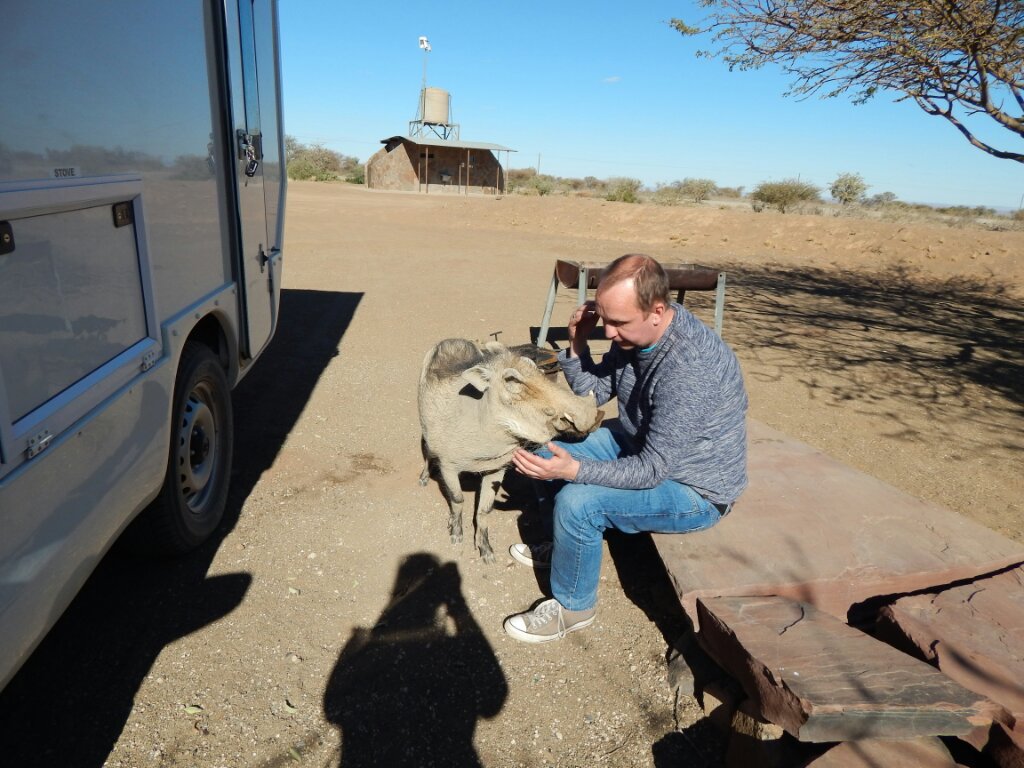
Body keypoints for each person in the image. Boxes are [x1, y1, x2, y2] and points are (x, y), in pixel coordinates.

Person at [503, 253, 748, 643]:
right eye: (605, 319)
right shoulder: (638, 336)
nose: (610, 332)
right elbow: (595, 393)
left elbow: (652, 470)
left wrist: (574, 471)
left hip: (694, 488)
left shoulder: (690, 367)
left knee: (579, 503)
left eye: (618, 322)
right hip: (641, 445)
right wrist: (578, 343)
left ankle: (574, 608)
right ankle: (563, 546)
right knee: (546, 449)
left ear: (657, 310)